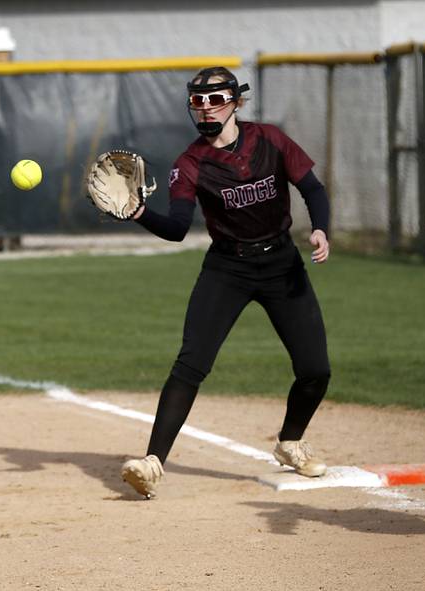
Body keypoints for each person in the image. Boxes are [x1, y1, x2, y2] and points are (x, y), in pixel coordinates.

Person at [121, 66, 332, 498]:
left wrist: (320, 227)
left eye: (215, 100)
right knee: (191, 363)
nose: (206, 109)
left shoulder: (270, 140)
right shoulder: (191, 162)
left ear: (237, 101)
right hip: (227, 269)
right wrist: (140, 213)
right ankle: (152, 461)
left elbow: (312, 188)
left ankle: (290, 441)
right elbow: (179, 226)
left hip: (281, 265)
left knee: (315, 370)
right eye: (197, 102)